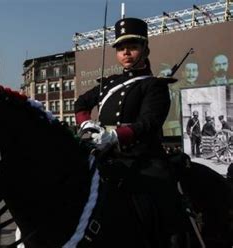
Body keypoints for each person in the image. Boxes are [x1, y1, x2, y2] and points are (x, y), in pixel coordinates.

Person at [74, 17, 183, 247]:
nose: (126, 53)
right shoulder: (109, 83)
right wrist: (86, 124)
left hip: (142, 159)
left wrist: (114, 136)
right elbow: (81, 103)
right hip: (106, 156)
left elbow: (148, 123)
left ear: (145, 49)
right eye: (121, 48)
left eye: (132, 47)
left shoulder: (154, 85)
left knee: (164, 201)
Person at [164, 60, 199, 136]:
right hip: (177, 128)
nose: (191, 73)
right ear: (183, 73)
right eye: (188, 71)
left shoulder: (199, 88)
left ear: (197, 73)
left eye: (194, 70)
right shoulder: (174, 89)